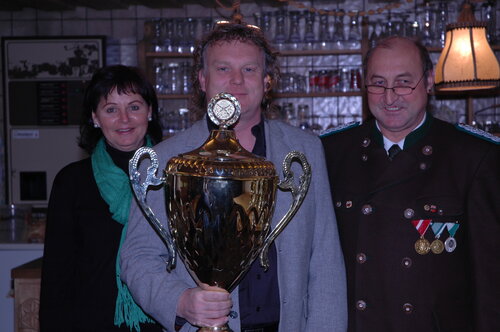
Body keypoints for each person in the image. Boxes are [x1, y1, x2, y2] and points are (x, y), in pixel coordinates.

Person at [120, 22, 347, 332]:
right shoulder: (168, 157)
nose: (237, 80)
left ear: (268, 81)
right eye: (223, 68)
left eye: (250, 69)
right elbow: (138, 256)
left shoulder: (304, 150)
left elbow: (325, 260)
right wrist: (180, 301)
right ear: (202, 79)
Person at [321, 36, 500, 332]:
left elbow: (491, 281)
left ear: (428, 81)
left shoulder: (473, 156)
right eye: (378, 84)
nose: (390, 97)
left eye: (404, 82)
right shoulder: (331, 153)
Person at [39, 65, 164, 332]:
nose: (124, 119)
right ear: (95, 117)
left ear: (150, 111)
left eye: (134, 107)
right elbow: (56, 277)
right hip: (90, 323)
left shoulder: (173, 175)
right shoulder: (71, 182)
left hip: (162, 324)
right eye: (111, 110)